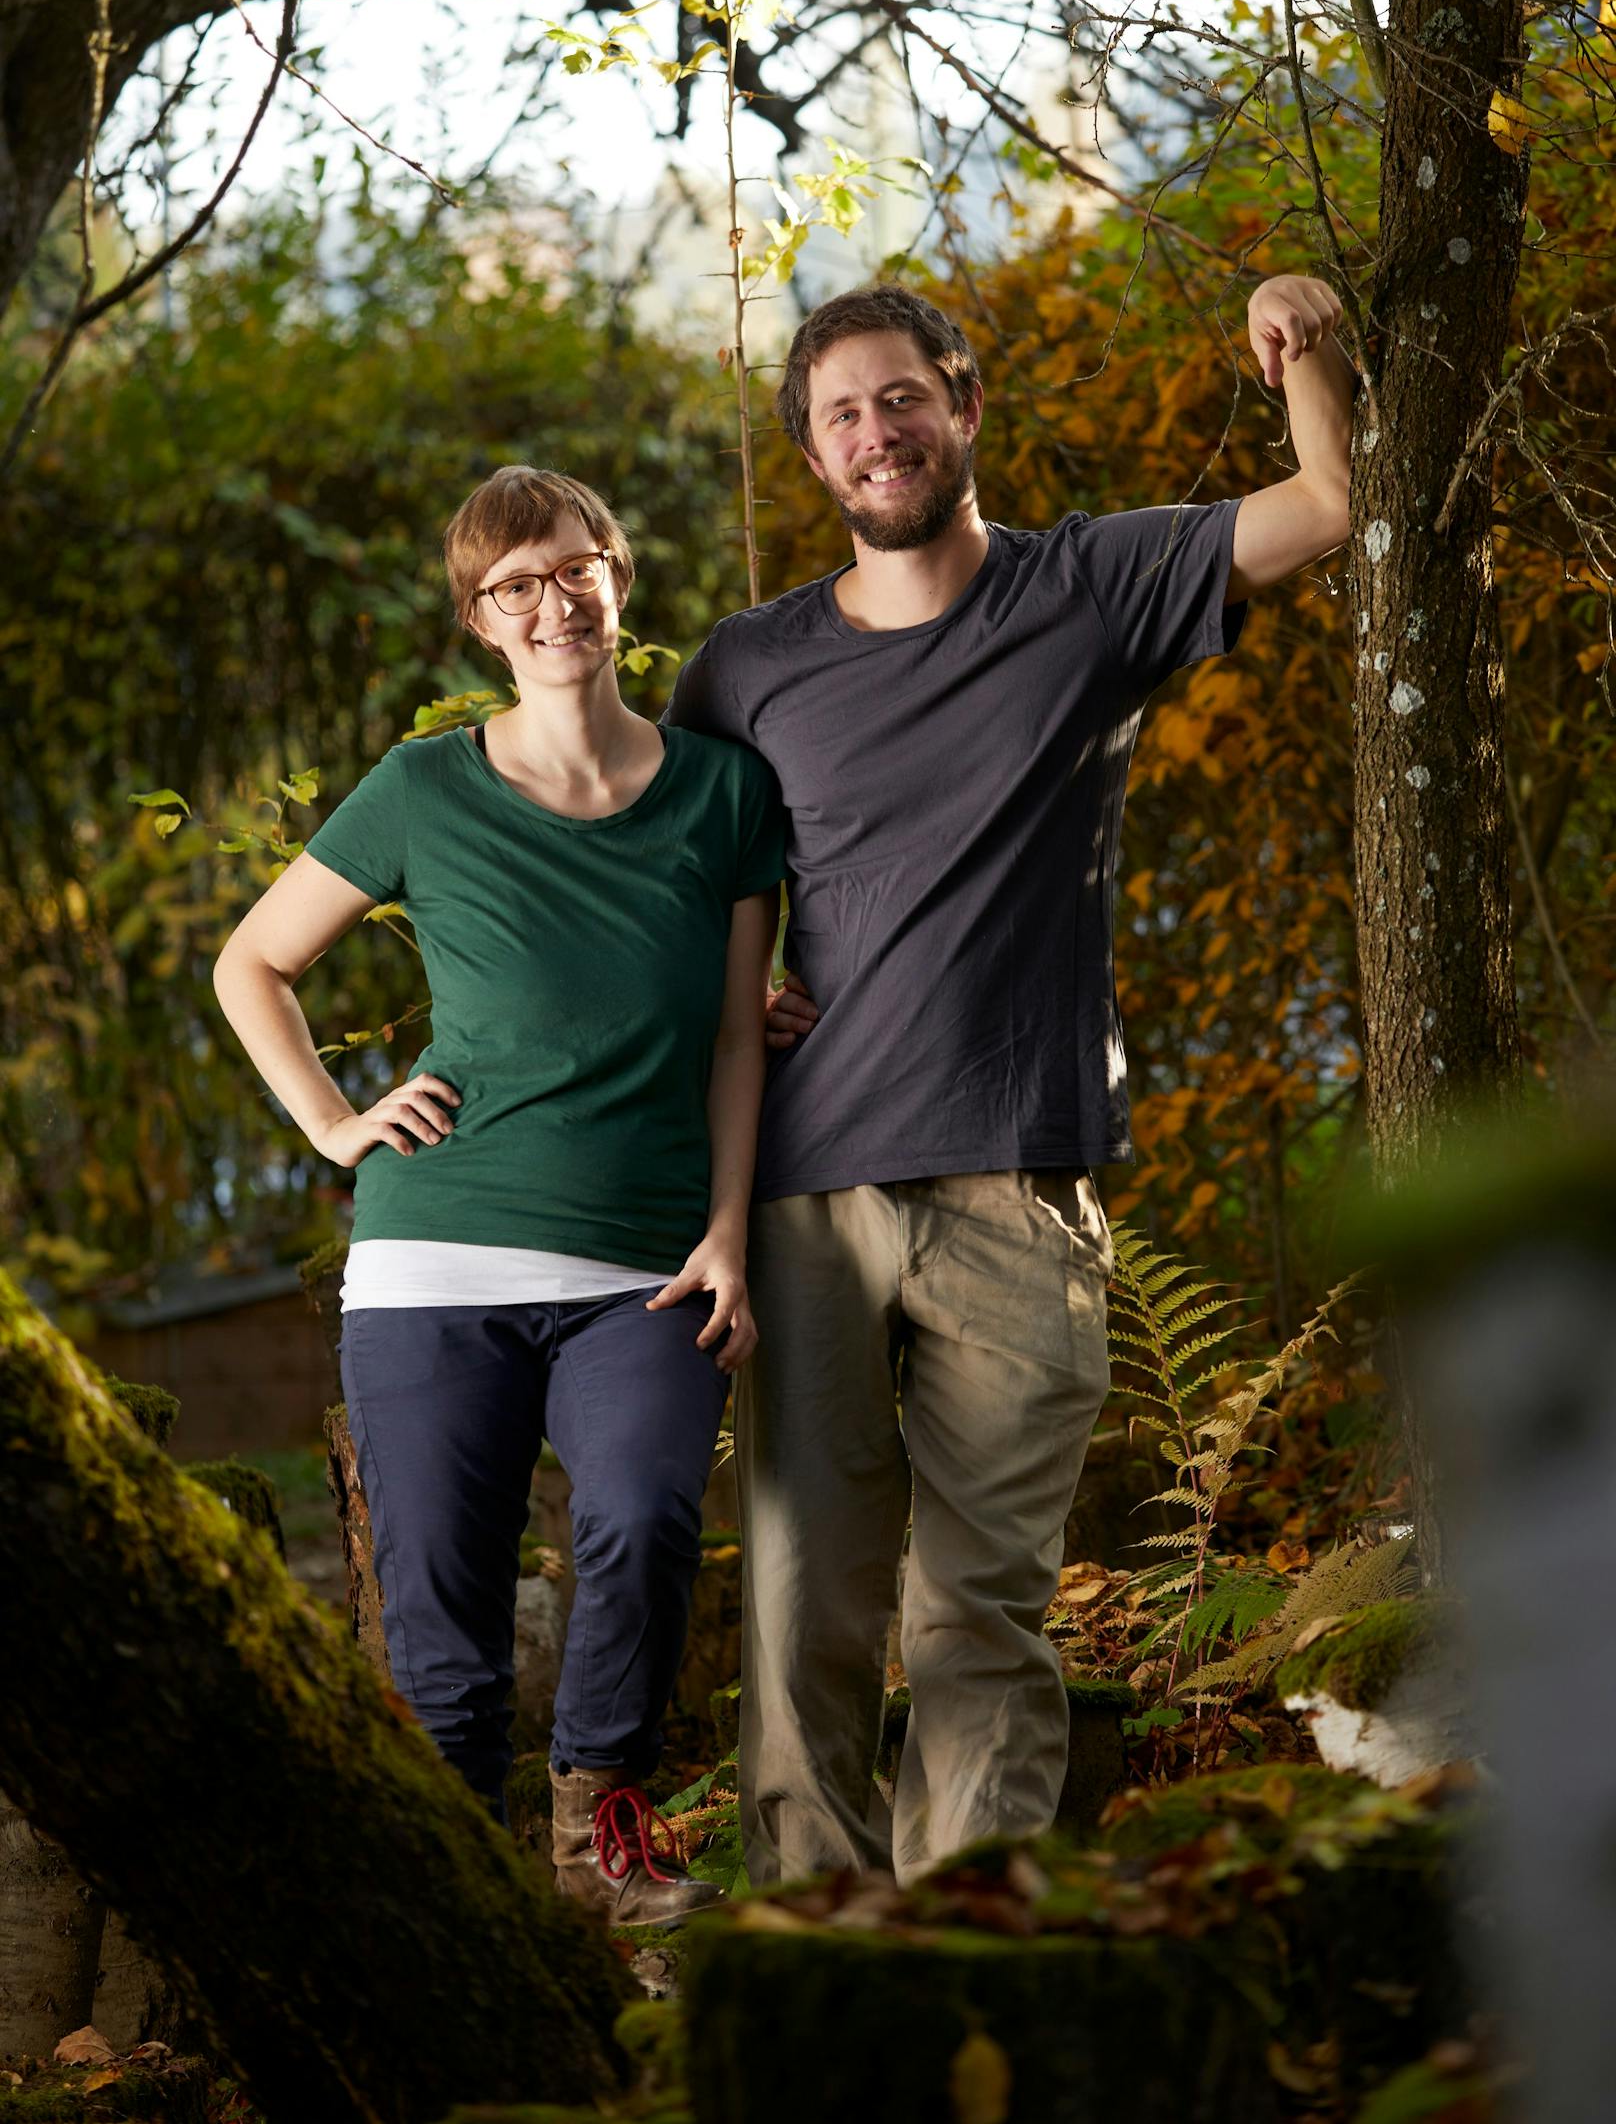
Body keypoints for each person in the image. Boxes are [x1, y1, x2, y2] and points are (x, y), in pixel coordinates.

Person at [664, 273, 1354, 1886]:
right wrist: (717, 999)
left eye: (901, 398)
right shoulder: (742, 670)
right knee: (801, 1606)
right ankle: (822, 1969)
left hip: (1020, 1191)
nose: (875, 433)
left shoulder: (1090, 586)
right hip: (804, 1199)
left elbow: (1327, 502)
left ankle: (971, 1954)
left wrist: (1306, 334)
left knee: (980, 1610)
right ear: (815, 461)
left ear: (964, 407)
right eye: (840, 415)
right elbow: (667, 884)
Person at [214, 466, 785, 1921]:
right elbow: (251, 964)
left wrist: (730, 1227)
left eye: (573, 568)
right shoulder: (424, 788)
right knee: (442, 1634)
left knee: (647, 1523)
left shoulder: (724, 790)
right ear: (479, 619)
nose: (552, 604)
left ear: (619, 577)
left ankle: (607, 1847)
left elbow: (736, 1034)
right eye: (513, 587)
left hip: (646, 1264)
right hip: (433, 1263)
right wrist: (338, 1126)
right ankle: (463, 1912)